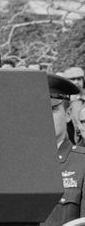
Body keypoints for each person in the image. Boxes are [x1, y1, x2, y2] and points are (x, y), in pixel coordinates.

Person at [42, 74, 85, 226]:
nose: (44, 116)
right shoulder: (19, 163)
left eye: (52, 109)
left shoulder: (82, 164)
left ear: (68, 114)